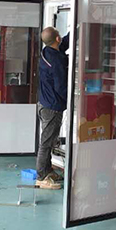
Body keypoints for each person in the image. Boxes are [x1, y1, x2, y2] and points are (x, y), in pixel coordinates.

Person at [36, 26, 69, 190]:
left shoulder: (48, 51)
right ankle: (41, 176)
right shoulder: (56, 61)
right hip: (52, 107)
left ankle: (48, 170)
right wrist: (71, 100)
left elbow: (64, 44)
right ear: (57, 38)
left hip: (44, 103)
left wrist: (81, 25)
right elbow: (60, 86)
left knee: (48, 141)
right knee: (46, 143)